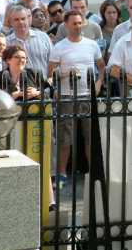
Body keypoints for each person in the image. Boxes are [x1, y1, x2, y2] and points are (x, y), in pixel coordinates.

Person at [48, 10, 105, 187]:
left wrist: (98, 84)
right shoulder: (59, 47)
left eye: (80, 23)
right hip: (66, 97)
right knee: (65, 139)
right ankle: (62, 174)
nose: (78, 26)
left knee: (90, 137)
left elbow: (102, 67)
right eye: (74, 23)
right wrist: (64, 75)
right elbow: (49, 75)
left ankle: (92, 173)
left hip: (88, 97)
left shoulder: (92, 45)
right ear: (66, 25)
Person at [6, 4, 53, 78]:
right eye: (16, 20)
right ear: (11, 22)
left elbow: (52, 63)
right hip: (18, 87)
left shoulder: (43, 37)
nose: (20, 22)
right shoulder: (6, 43)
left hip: (43, 86)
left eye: (23, 19)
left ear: (28, 19)